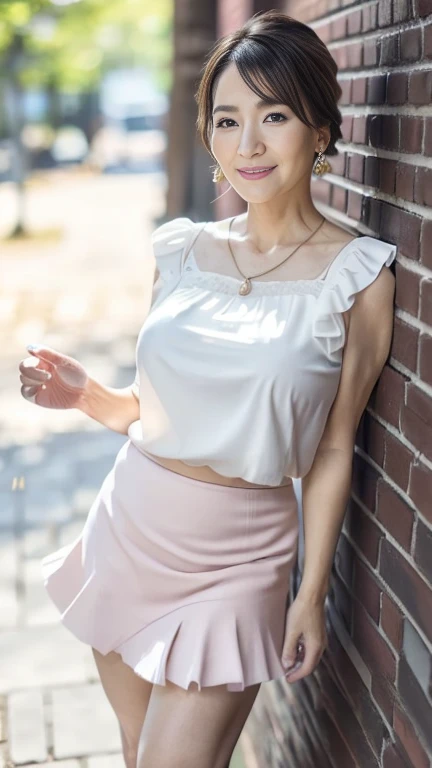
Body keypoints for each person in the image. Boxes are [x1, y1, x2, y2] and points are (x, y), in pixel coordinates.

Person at [18, 10, 396, 768]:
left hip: (239, 557)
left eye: (275, 115)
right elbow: (153, 413)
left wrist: (310, 592)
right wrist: (88, 395)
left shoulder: (356, 276)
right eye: (228, 120)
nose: (248, 144)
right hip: (132, 524)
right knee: (136, 753)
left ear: (319, 129)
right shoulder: (184, 250)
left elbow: (329, 451)